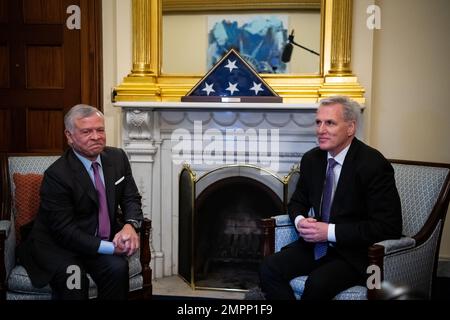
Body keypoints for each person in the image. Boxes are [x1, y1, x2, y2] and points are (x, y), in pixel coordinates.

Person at [259, 96, 402, 300]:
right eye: (318, 122)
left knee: (317, 283)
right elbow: (297, 202)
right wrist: (301, 222)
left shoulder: (373, 164)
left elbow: (388, 226)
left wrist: (329, 231)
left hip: (355, 254)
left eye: (330, 123)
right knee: (269, 268)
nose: (320, 130)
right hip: (315, 247)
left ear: (350, 128)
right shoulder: (311, 159)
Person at [18, 104, 143, 300]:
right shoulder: (57, 175)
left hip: (97, 243)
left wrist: (130, 225)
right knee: (74, 281)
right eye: (86, 131)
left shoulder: (118, 158)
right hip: (61, 247)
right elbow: (64, 231)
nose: (96, 136)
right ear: (69, 136)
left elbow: (131, 198)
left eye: (100, 130)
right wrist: (111, 247)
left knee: (118, 268)